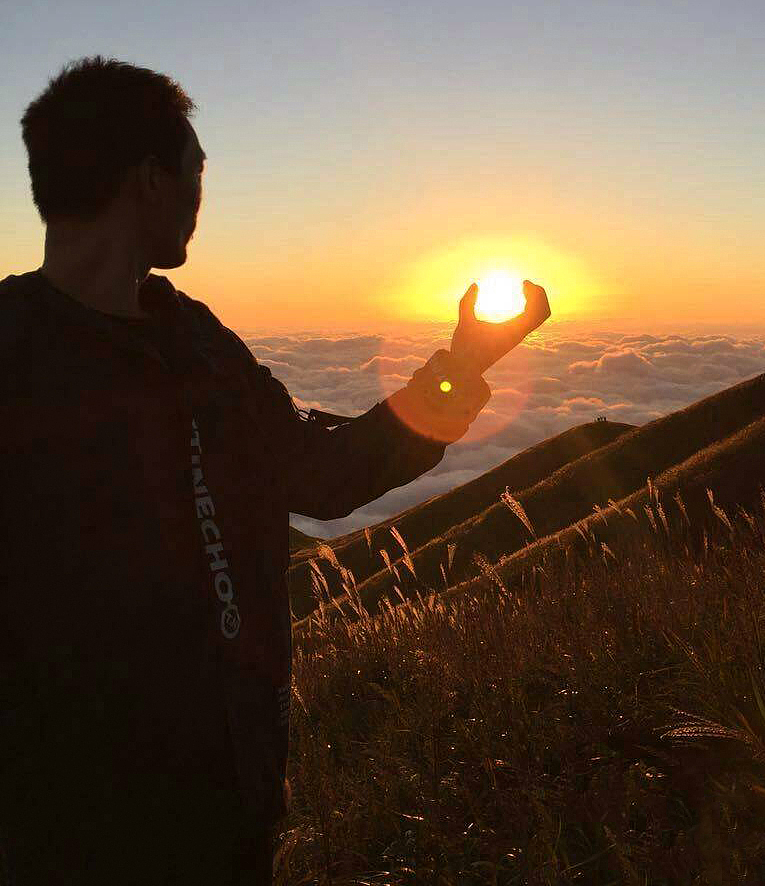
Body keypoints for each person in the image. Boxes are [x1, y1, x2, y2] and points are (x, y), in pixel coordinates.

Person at [0, 57, 550, 885]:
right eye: (196, 171)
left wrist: (463, 365)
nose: (199, 197)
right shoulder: (14, 357)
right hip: (63, 833)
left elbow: (322, 475)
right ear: (151, 180)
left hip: (225, 814)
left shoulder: (196, 343)